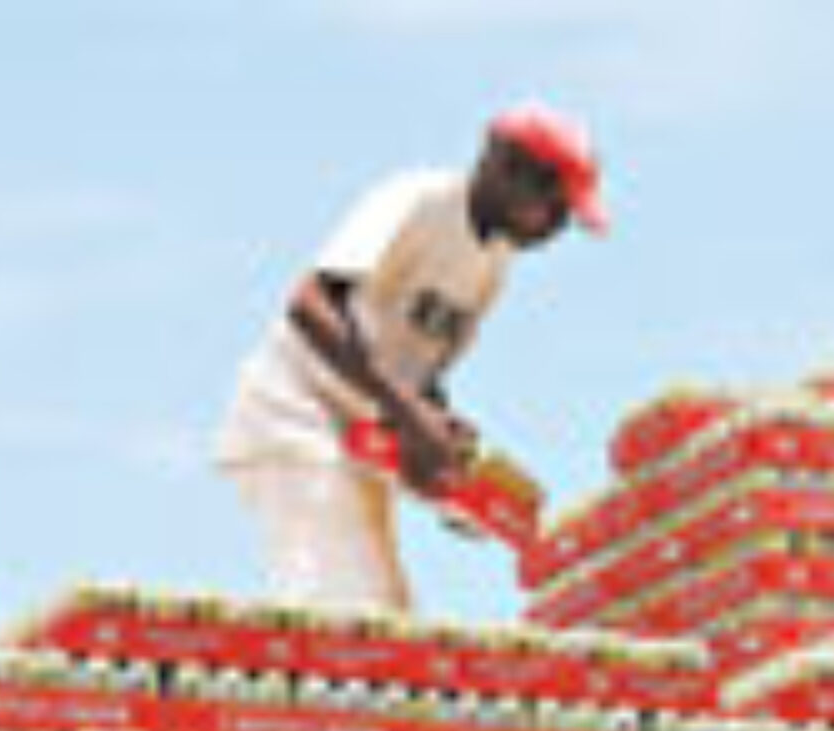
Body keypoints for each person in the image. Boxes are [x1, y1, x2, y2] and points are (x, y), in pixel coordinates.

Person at [215, 103, 606, 612]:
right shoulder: (418, 201)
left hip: (356, 435)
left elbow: (416, 377)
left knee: (388, 613)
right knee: (344, 603)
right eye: (554, 208)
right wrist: (407, 413)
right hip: (295, 414)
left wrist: (447, 453)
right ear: (507, 168)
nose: (557, 228)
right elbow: (309, 305)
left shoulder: (494, 263)